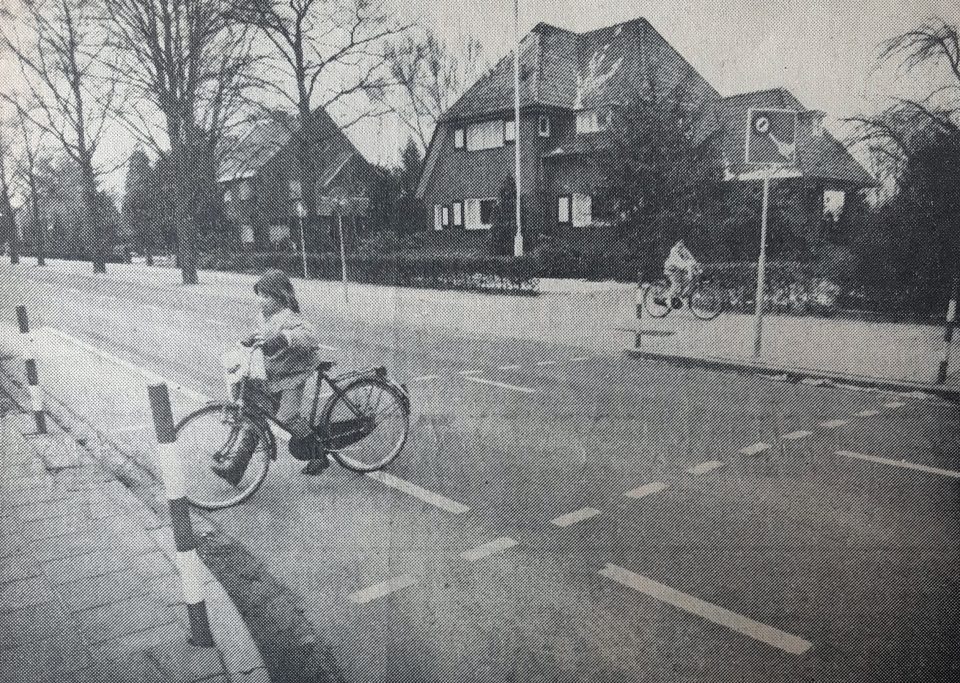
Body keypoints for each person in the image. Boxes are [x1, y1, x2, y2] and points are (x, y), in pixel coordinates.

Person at [212, 270, 329, 485]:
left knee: (287, 417)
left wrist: (285, 338)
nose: (260, 301)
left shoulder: (290, 317)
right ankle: (236, 468)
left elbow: (310, 336)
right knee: (256, 411)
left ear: (281, 297)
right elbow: (262, 336)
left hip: (294, 373)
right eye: (259, 295)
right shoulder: (265, 317)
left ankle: (320, 454)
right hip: (276, 373)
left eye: (266, 297)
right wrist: (249, 340)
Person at [662, 239, 700, 306]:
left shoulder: (684, 249)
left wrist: (696, 266)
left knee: (686, 281)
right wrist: (688, 267)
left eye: (682, 242)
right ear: (676, 243)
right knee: (676, 284)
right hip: (671, 270)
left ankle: (677, 298)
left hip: (679, 270)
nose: (681, 244)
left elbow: (691, 258)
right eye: (679, 242)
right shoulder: (673, 251)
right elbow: (679, 263)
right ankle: (667, 299)